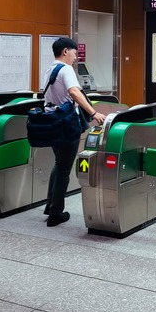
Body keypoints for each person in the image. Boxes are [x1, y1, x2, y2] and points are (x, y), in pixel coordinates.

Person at [43, 37, 106, 227]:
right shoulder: (66, 69)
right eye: (73, 52)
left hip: (51, 120)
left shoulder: (49, 69)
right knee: (63, 168)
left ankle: (50, 205)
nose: (75, 57)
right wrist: (93, 113)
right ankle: (56, 213)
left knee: (59, 163)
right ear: (65, 52)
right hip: (66, 123)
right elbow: (75, 92)